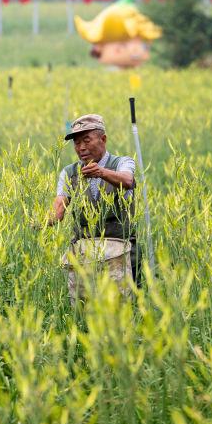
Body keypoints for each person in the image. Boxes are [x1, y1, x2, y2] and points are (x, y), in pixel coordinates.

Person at [48, 114, 140, 300]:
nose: (81, 148)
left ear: (103, 139)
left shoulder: (122, 163)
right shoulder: (69, 173)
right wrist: (37, 221)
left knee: (121, 311)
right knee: (84, 312)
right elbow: (58, 210)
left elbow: (128, 181)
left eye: (87, 140)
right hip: (84, 255)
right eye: (76, 143)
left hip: (120, 254)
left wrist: (101, 172)